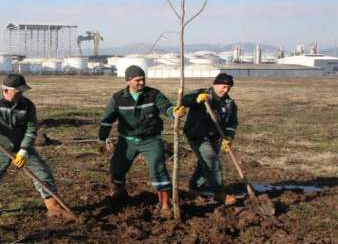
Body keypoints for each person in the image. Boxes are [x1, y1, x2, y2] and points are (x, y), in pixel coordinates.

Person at [0, 74, 71, 219]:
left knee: (42, 173)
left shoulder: (27, 105)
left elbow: (31, 129)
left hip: (20, 146)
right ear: (6, 90)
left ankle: (53, 207)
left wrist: (23, 151)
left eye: (23, 91)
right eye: (18, 91)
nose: (21, 94)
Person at [97, 65, 187, 213]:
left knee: (158, 169)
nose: (141, 83)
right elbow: (107, 120)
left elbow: (166, 108)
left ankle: (165, 204)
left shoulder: (153, 94)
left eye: (143, 79)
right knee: (117, 168)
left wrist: (174, 112)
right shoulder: (118, 98)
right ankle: (119, 192)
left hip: (150, 140)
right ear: (128, 80)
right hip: (127, 141)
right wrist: (102, 138)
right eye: (138, 80)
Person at [181, 72, 238, 205]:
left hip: (215, 137)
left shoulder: (229, 103)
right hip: (197, 135)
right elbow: (184, 100)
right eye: (223, 86)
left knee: (204, 164)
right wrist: (197, 99)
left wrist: (228, 137)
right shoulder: (203, 94)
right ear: (215, 84)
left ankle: (194, 188)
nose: (226, 90)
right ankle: (219, 192)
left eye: (228, 88)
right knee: (212, 161)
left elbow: (232, 123)